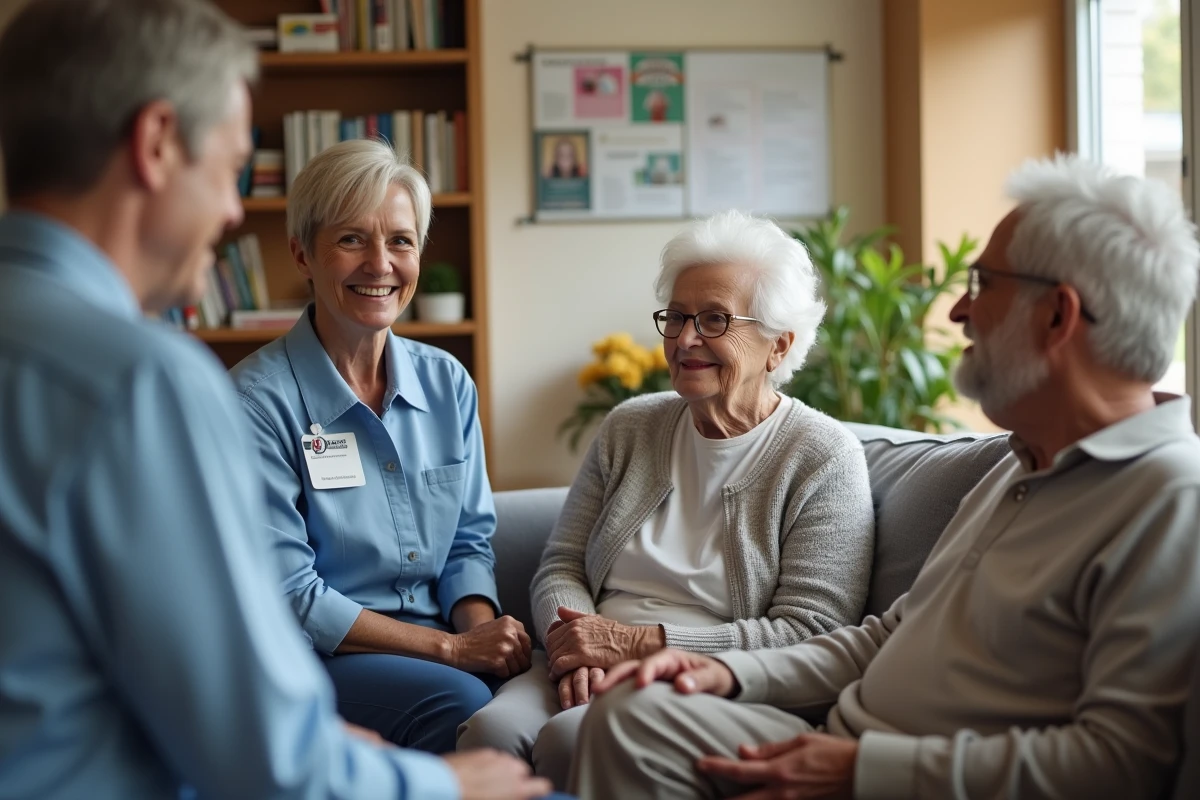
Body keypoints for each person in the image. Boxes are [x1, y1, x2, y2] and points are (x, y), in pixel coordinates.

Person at [0, 1, 551, 798]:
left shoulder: (444, 381)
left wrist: (467, 636)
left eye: (400, 240)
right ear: (156, 144)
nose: (231, 213)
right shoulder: (149, 383)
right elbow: (260, 746)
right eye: (228, 169)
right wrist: (443, 783)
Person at [575, 155, 1200, 800]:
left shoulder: (1168, 499)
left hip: (893, 777)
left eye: (983, 285)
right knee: (631, 717)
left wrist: (860, 771)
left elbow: (1122, 765)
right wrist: (727, 674)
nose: (959, 310)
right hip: (845, 742)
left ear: (1056, 316)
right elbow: (889, 635)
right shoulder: (1022, 464)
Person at [458, 210, 875, 789]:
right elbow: (562, 563)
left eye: (713, 320)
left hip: (705, 681)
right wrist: (574, 649)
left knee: (568, 738)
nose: (684, 340)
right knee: (489, 736)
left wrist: (636, 647)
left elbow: (811, 634)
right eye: (676, 317)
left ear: (778, 347)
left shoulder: (822, 456)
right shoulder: (631, 426)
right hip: (585, 654)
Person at [230, 137, 531, 754]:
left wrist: (484, 638)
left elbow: (468, 541)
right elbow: (289, 595)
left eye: (400, 240)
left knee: (533, 686)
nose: (380, 264)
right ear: (302, 254)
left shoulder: (447, 382)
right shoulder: (254, 402)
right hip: (318, 654)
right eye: (350, 240)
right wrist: (451, 652)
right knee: (462, 703)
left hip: (441, 642)